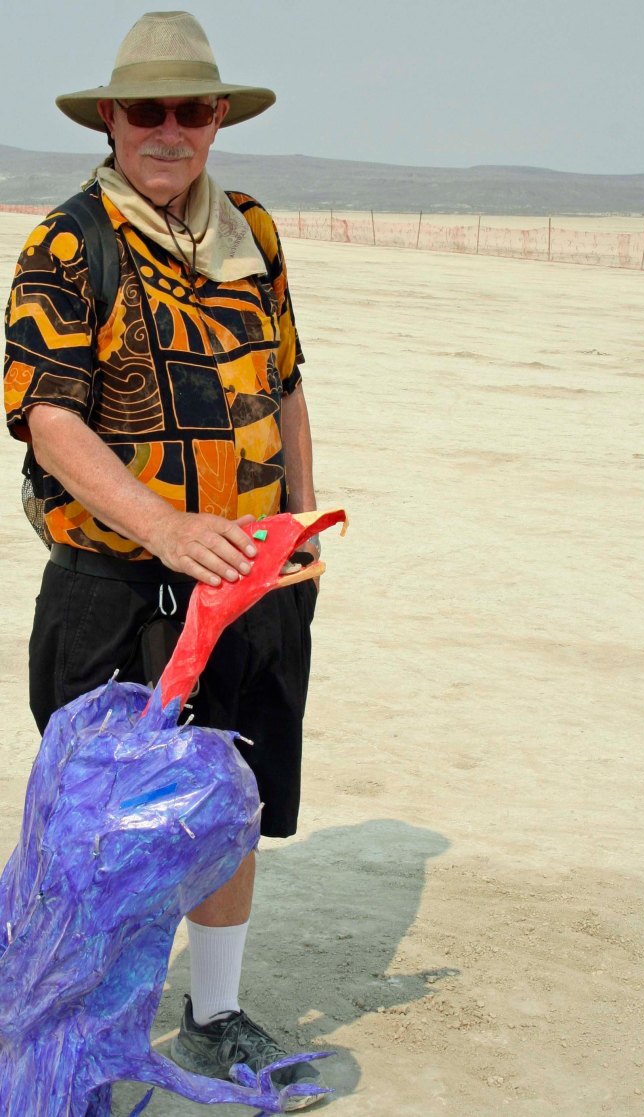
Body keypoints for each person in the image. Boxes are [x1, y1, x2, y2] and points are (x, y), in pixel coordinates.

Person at [3, 10, 327, 1108]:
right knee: (104, 830)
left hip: (248, 585)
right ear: (112, 119)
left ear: (218, 119)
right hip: (118, 587)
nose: (170, 129)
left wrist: (299, 519)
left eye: (193, 109)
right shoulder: (68, 243)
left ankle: (212, 1014)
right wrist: (168, 529)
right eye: (149, 110)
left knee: (227, 804)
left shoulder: (254, 232)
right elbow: (48, 418)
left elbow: (281, 385)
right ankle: (71, 1043)